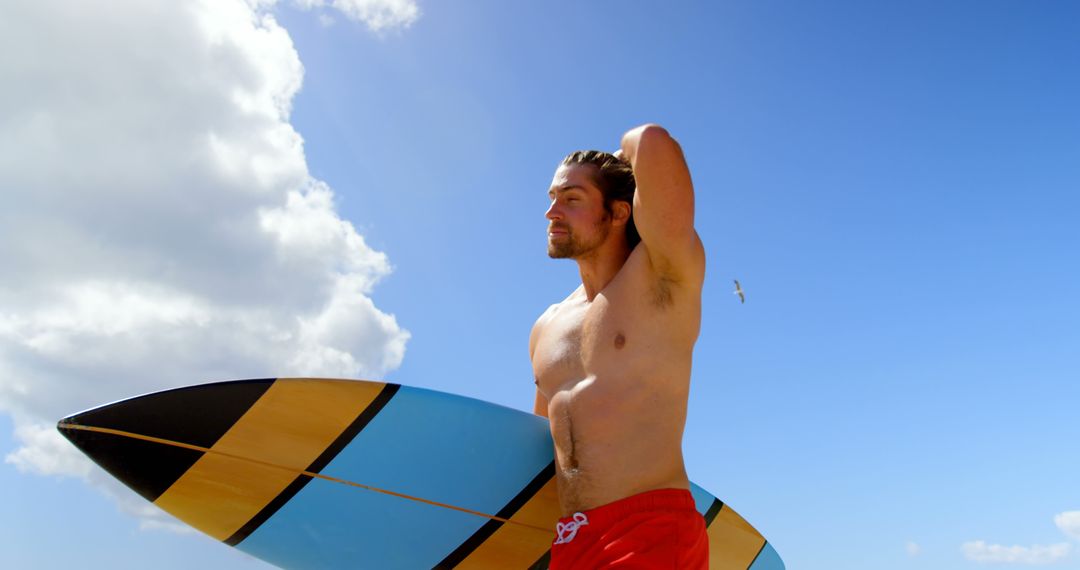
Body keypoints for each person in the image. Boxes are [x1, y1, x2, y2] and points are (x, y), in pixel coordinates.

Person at [530, 124, 708, 568]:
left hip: (649, 530)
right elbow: (537, 439)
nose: (552, 212)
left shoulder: (661, 276)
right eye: (552, 198)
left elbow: (651, 142)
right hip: (571, 541)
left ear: (619, 212)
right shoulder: (547, 326)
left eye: (572, 199)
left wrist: (613, 164)